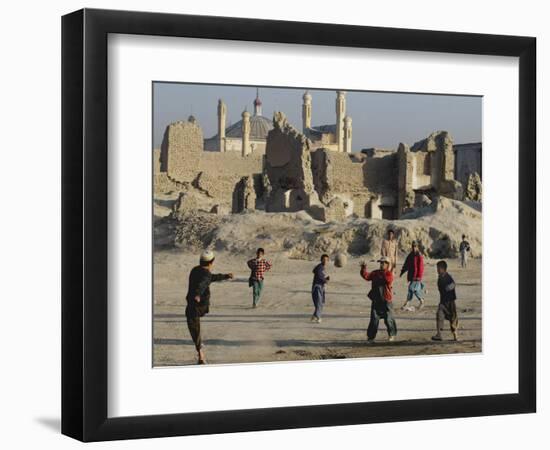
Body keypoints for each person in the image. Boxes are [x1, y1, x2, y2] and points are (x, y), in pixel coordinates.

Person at [185, 250, 233, 364]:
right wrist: (198, 294)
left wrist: (225, 276)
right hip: (200, 304)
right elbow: (204, 282)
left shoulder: (195, 269)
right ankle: (201, 355)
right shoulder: (206, 274)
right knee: (194, 325)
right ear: (211, 262)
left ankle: (200, 351)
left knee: (194, 327)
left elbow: (209, 279)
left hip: (194, 304)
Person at [361, 256, 397, 342]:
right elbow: (366, 276)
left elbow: (388, 280)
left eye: (384, 263)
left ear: (388, 264)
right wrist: (363, 268)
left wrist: (385, 272)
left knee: (389, 319)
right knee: (374, 320)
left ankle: (391, 335)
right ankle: (371, 337)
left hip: (386, 300)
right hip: (376, 300)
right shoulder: (375, 273)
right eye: (381, 262)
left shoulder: (389, 274)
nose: (382, 264)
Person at [432, 260, 459, 341]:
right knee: (439, 316)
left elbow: (453, 284)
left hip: (450, 302)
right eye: (437, 268)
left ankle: (455, 334)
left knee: (453, 319)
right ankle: (439, 334)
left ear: (443, 269)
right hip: (443, 302)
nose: (437, 270)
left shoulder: (448, 277)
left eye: (438, 268)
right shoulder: (440, 278)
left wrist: (448, 288)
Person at [399, 241, 425, 311]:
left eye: (415, 246)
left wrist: (419, 276)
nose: (414, 248)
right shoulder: (410, 255)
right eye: (413, 246)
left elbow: (421, 267)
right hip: (411, 276)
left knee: (410, 288)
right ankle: (421, 301)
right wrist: (402, 272)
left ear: (417, 247)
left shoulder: (419, 255)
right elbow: (406, 264)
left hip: (417, 277)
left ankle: (407, 302)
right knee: (415, 290)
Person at [311, 254, 330, 323]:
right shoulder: (320, 267)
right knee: (319, 303)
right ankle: (318, 317)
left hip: (320, 287)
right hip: (317, 287)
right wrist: (325, 280)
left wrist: (325, 279)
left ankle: (314, 316)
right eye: (324, 260)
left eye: (326, 260)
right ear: (321, 260)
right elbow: (319, 275)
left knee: (320, 303)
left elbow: (319, 275)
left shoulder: (321, 267)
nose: (325, 261)